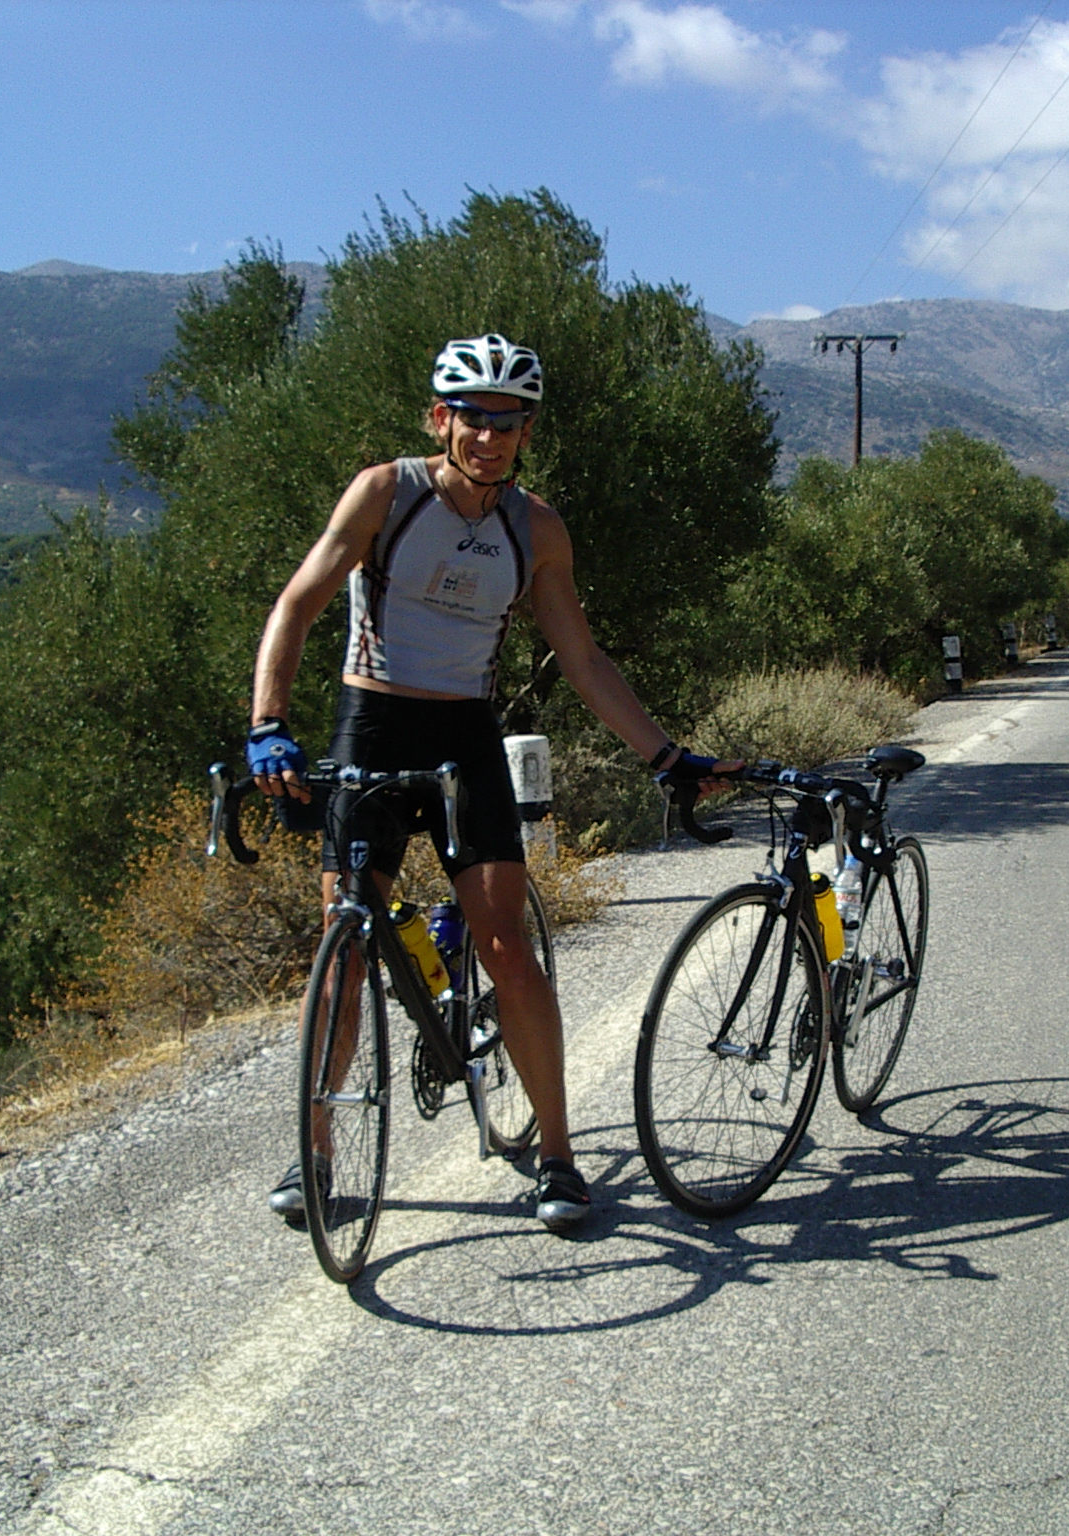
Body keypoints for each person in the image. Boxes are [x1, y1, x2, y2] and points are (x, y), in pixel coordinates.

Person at [245, 333, 720, 1232]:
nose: (489, 438)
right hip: (372, 719)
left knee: (505, 945)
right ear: (442, 419)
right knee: (343, 948)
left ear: (526, 432)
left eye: (508, 424)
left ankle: (558, 1156)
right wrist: (268, 723)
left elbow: (580, 656)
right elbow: (299, 601)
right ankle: (314, 1149)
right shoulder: (386, 493)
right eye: (473, 419)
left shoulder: (535, 530)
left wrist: (664, 754)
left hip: (465, 733)